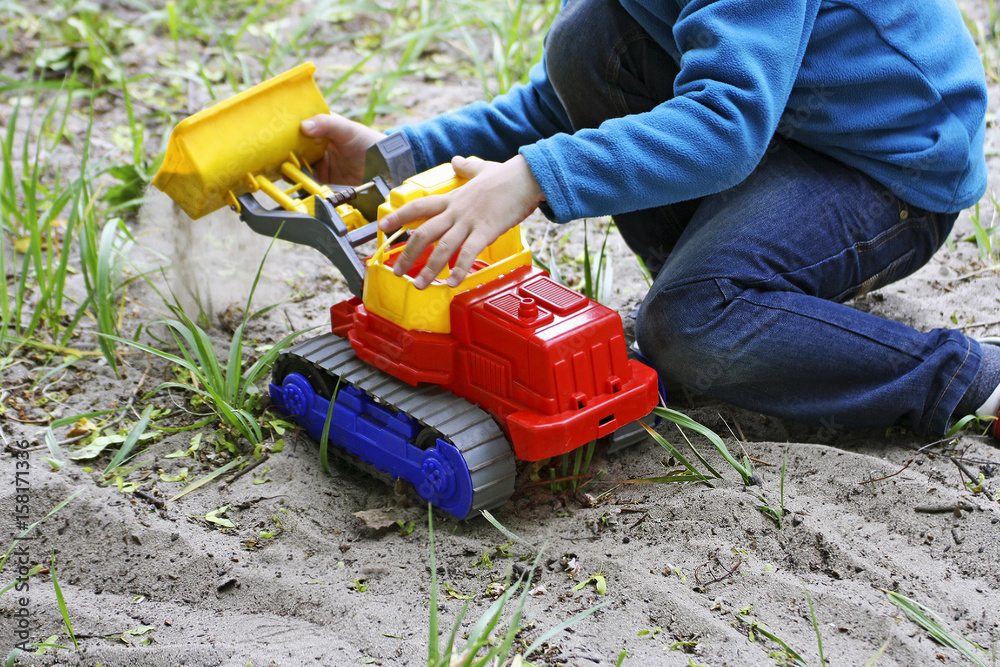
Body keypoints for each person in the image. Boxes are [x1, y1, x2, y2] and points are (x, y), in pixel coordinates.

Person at [300, 0, 999, 439]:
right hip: (786, 121)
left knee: (688, 322)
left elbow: (727, 122)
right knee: (589, 39)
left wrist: (533, 178)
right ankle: (733, 288)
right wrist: (395, 155)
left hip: (887, 164)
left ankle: (969, 378)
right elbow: (560, 97)